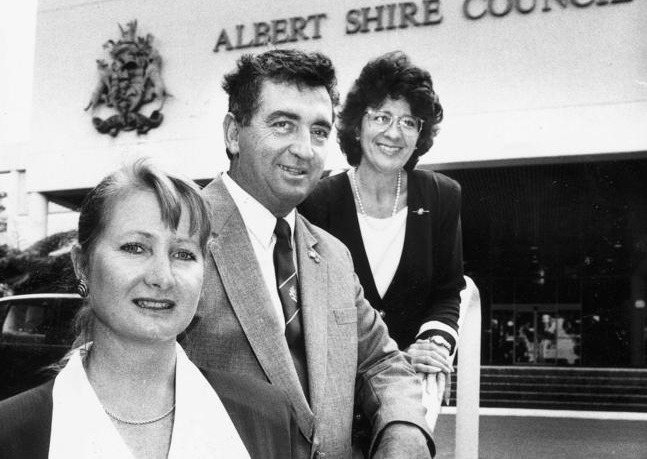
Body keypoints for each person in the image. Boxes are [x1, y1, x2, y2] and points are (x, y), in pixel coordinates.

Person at [180, 49, 434, 458]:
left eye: (319, 132)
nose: (305, 149)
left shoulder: (333, 256)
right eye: (283, 125)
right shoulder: (181, 235)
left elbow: (382, 363)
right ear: (232, 134)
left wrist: (404, 433)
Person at [0, 160, 295, 459]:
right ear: (83, 266)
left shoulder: (266, 417)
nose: (162, 277)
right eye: (135, 248)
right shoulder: (11, 433)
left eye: (183, 254)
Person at [299, 51, 465, 408]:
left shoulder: (442, 196)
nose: (394, 133)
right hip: (334, 388)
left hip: (409, 385)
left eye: (409, 122)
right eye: (382, 117)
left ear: (420, 135)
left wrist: (434, 344)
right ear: (358, 125)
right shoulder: (315, 202)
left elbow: (448, 292)